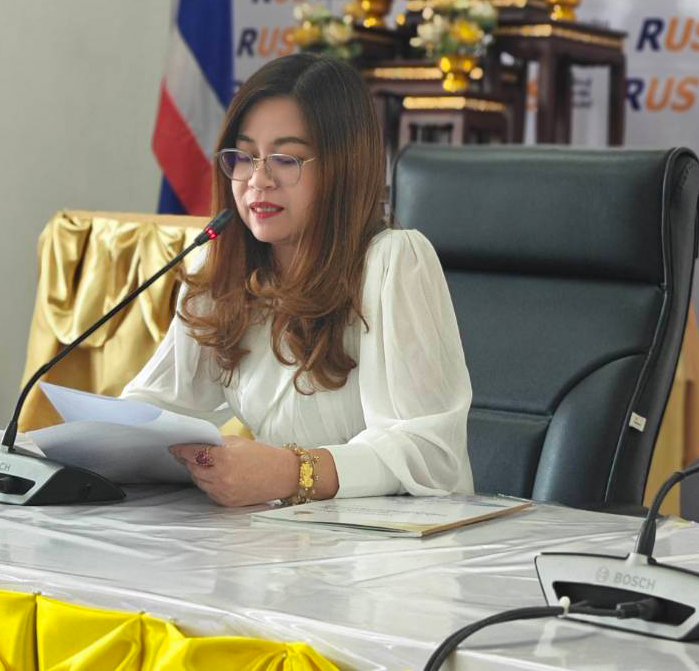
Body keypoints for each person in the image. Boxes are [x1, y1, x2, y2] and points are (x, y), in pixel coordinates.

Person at [122, 53, 474, 507]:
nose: (258, 180)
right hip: (284, 536)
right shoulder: (222, 264)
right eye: (245, 157)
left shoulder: (392, 263)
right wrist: (86, 442)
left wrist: (293, 472)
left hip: (392, 540)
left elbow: (430, 454)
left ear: (342, 168)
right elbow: (158, 405)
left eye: (286, 159)